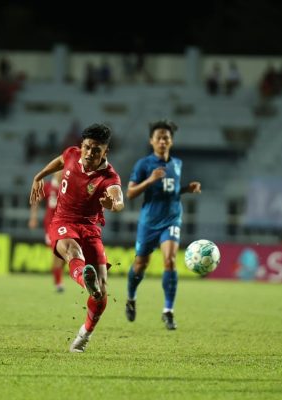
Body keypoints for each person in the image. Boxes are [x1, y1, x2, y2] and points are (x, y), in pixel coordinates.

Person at [29, 123, 124, 352]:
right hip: (62, 221)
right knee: (72, 250)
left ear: (105, 152)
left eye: (97, 150)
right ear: (81, 146)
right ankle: (84, 278)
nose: (91, 153)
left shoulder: (109, 177)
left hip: (90, 229)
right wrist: (39, 175)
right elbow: (60, 161)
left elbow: (118, 200)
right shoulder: (71, 154)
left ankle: (84, 335)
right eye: (88, 147)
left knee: (101, 294)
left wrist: (113, 204)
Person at [125, 119, 201, 330]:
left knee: (170, 260)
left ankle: (168, 311)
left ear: (171, 141)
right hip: (149, 222)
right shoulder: (143, 165)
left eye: (166, 138)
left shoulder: (177, 164)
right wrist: (149, 180)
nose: (162, 141)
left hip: (172, 219)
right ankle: (131, 298)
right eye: (158, 138)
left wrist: (187, 189)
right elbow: (130, 193)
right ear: (151, 141)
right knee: (141, 264)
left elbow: (172, 190)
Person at [28, 170, 66, 292]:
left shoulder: (67, 187)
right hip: (50, 225)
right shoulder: (48, 186)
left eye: (63, 172)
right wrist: (33, 217)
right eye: (59, 172)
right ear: (55, 173)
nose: (61, 174)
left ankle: (57, 278)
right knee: (58, 252)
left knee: (63, 254)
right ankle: (58, 282)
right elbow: (36, 200)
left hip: (65, 224)